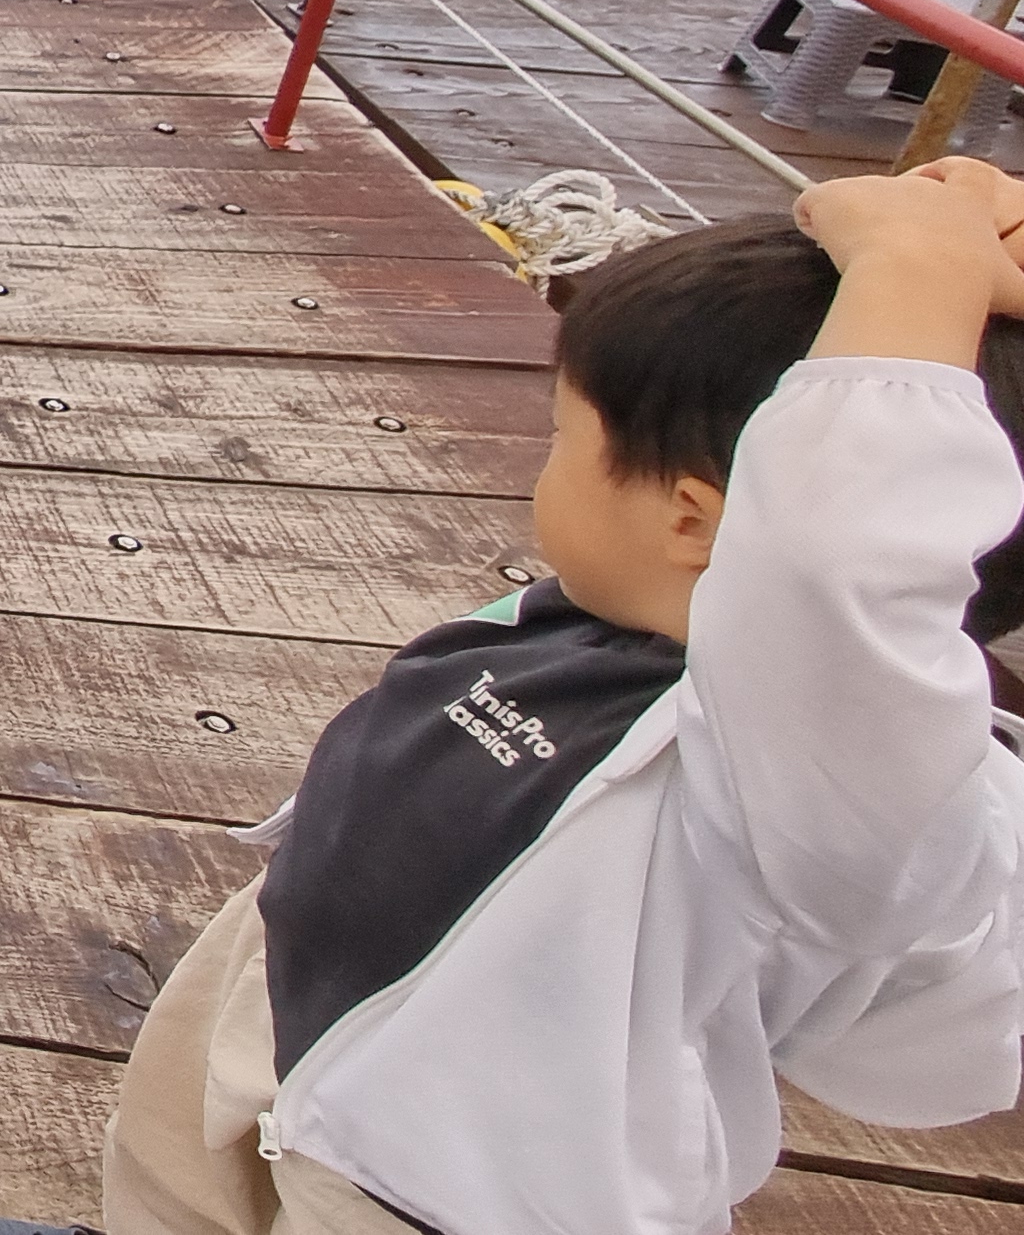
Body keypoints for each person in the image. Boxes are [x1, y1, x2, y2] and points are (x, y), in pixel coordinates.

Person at [87, 165, 1024, 1235]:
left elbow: (834, 565)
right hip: (311, 1011)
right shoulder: (611, 620)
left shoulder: (819, 767)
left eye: (563, 437)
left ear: (694, 518)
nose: (545, 465)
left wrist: (922, 270)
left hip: (438, 1185)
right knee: (169, 1178)